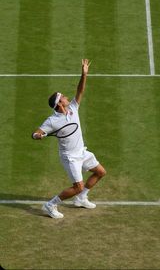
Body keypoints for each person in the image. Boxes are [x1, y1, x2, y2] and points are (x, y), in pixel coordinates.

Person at [32, 59, 106, 219]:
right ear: (59, 104)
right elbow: (35, 133)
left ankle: (81, 199)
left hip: (82, 152)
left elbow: (80, 91)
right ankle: (50, 205)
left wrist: (84, 74)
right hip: (70, 157)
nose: (67, 98)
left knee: (100, 172)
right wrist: (38, 135)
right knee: (78, 186)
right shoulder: (51, 121)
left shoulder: (73, 108)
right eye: (63, 97)